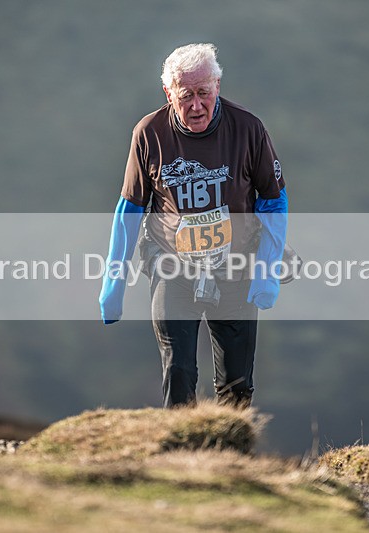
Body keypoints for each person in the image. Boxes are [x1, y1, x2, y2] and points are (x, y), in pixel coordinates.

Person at [99, 43, 288, 409]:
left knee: (237, 383)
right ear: (168, 92)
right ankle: (182, 461)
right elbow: (130, 208)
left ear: (217, 85)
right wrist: (114, 281)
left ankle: (230, 459)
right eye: (186, 95)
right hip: (173, 266)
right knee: (179, 370)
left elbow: (273, 201)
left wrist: (267, 269)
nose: (197, 105)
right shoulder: (149, 133)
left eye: (204, 93)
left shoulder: (248, 129)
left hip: (236, 267)